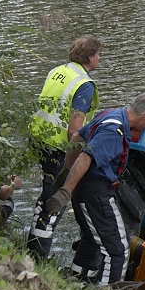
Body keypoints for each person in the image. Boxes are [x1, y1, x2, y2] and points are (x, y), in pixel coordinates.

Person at [45, 92, 145, 285]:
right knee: (118, 251)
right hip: (96, 192)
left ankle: (77, 281)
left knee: (92, 240)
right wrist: (65, 190)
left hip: (86, 190)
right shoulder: (113, 131)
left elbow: (76, 138)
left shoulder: (109, 114)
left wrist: (66, 171)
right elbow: (85, 157)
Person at [26, 35, 102, 260]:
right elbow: (74, 129)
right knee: (54, 201)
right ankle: (37, 256)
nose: (100, 59)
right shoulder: (84, 85)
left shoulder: (59, 71)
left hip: (38, 139)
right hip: (56, 147)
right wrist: (76, 162)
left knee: (46, 195)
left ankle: (33, 248)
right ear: (90, 57)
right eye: (99, 55)